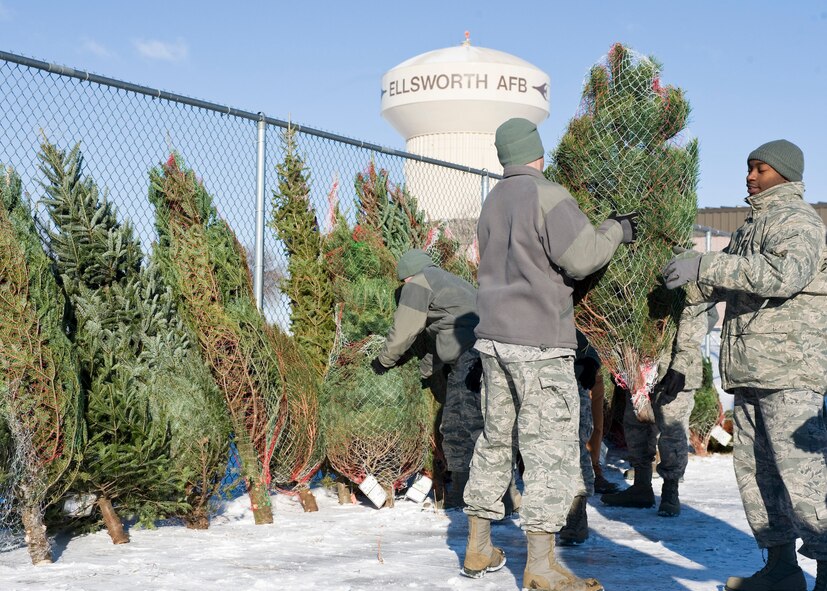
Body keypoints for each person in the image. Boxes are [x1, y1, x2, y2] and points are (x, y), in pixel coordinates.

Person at [460, 117, 637, 591]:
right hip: (539, 344)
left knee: (494, 441)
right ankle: (539, 566)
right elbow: (581, 257)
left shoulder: (492, 201)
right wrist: (616, 230)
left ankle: (478, 545)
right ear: (538, 152)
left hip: (493, 343)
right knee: (549, 453)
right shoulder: (547, 194)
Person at [662, 139, 827, 591]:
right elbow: (728, 281)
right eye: (750, 168)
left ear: (786, 175)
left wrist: (708, 265)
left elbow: (782, 276)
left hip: (790, 372)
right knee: (757, 476)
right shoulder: (751, 226)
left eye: (761, 169)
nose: (751, 176)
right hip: (751, 371)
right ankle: (781, 569)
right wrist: (688, 279)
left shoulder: (798, 222)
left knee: (804, 479)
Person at [371, 248, 483, 509]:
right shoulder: (448, 281)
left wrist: (383, 361)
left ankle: (465, 496)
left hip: (471, 359)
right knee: (483, 423)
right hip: (484, 352)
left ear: (407, 276)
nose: (404, 288)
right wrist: (421, 372)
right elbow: (446, 341)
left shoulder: (418, 282)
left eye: (403, 284)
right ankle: (499, 497)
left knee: (458, 426)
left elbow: (404, 330)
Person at [599, 298, 710, 517]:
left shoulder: (684, 274)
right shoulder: (638, 276)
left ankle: (670, 492)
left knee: (672, 432)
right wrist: (620, 365)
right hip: (639, 367)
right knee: (634, 425)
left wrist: (679, 367)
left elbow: (693, 325)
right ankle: (641, 487)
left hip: (674, 370)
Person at [558, 330, 614, 546]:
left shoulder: (566, 303)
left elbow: (583, 334)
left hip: (574, 375)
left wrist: (590, 360)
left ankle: (575, 516)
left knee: (576, 446)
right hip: (536, 376)